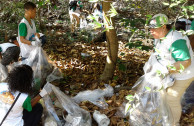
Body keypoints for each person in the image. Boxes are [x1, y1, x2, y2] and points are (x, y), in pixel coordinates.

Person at [148, 14, 194, 125]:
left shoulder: (175, 40)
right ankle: (165, 117)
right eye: (150, 28)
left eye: (154, 28)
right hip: (171, 74)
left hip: (184, 74)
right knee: (162, 95)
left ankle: (173, 123)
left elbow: (185, 62)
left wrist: (166, 70)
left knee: (171, 99)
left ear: (164, 27)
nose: (151, 31)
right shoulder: (159, 38)